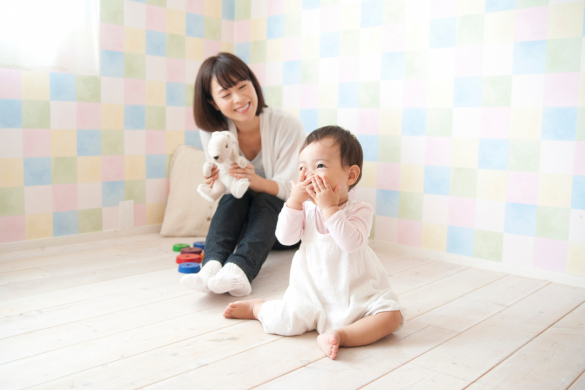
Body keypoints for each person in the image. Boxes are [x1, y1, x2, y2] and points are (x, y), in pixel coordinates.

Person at [223, 126, 404, 360]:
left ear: (350, 175)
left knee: (391, 316)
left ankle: (341, 335)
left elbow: (351, 243)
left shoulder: (359, 210)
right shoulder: (305, 208)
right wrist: (293, 202)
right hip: (309, 293)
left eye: (319, 166)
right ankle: (258, 308)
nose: (309, 175)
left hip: (354, 293)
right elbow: (285, 238)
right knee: (284, 320)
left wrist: (329, 208)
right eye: (302, 168)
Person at [181, 52, 305, 297]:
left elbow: (292, 191)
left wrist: (255, 181)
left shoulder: (287, 126)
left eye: (242, 86)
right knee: (234, 196)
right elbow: (227, 187)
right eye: (226, 94)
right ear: (213, 102)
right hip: (245, 231)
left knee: (264, 197)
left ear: (253, 83)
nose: (239, 99)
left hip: (285, 231)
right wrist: (217, 180)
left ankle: (240, 270)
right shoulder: (213, 132)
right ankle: (211, 267)